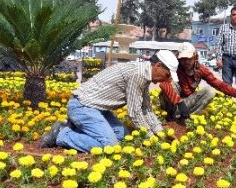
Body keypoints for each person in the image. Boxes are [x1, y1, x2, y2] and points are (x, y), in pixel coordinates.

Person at [39, 50, 179, 152]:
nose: (167, 80)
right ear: (158, 66)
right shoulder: (137, 74)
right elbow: (135, 112)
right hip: (82, 106)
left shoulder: (144, 75)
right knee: (110, 146)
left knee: (122, 135)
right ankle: (63, 134)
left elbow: (146, 108)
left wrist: (160, 133)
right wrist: (150, 137)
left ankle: (78, 128)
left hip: (97, 109)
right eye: (167, 75)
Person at [159, 42, 236, 120]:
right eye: (183, 59)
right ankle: (171, 115)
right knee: (171, 83)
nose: (186, 62)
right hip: (172, 104)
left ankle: (185, 117)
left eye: (189, 58)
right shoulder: (173, 67)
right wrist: (178, 101)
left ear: (195, 57)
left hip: (186, 103)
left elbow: (218, 84)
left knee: (209, 91)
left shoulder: (201, 70)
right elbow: (163, 84)